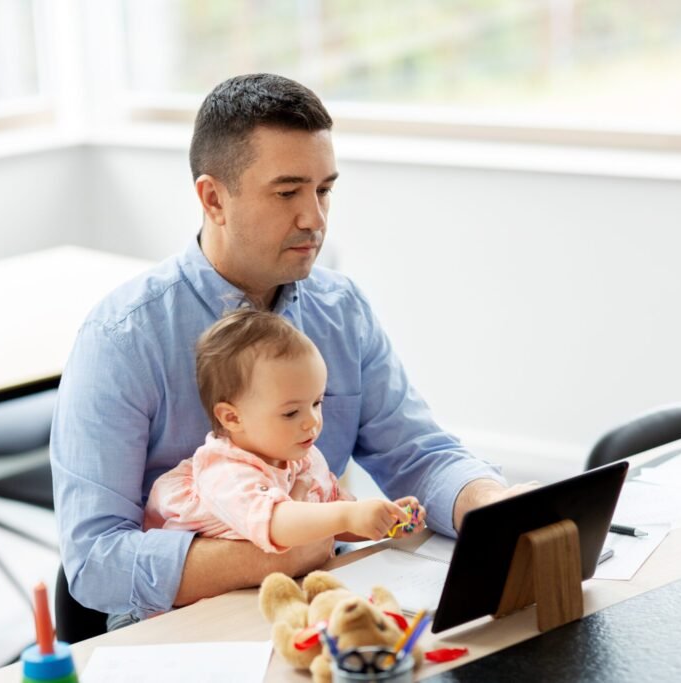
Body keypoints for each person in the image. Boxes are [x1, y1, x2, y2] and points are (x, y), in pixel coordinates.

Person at [52, 72, 535, 626]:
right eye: (287, 193)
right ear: (213, 198)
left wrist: (493, 508)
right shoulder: (122, 338)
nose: (315, 218)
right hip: (189, 634)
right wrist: (287, 547)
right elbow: (95, 562)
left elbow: (417, 454)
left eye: (324, 189)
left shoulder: (341, 307)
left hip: (329, 607)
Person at [143, 308, 426, 550]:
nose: (312, 421)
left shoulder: (303, 456)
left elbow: (324, 524)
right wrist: (349, 515)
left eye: (317, 403)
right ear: (232, 418)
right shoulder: (224, 471)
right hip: (196, 607)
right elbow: (278, 522)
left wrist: (381, 523)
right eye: (291, 412)